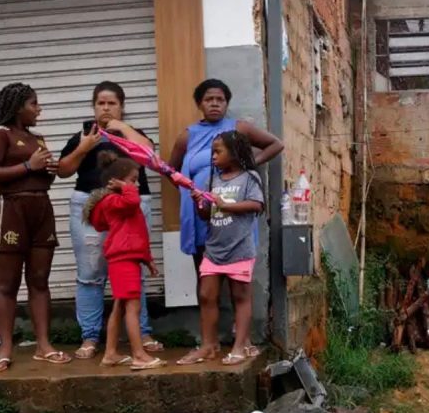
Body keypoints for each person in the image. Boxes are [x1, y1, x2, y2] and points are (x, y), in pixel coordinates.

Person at [57, 81, 164, 360]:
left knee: (133, 268)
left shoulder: (132, 134)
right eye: (100, 103)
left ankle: (142, 332)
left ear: (121, 107)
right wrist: (84, 146)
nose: (105, 108)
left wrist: (122, 128)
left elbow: (152, 157)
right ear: (93, 106)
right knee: (90, 274)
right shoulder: (83, 135)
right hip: (92, 207)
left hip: (132, 206)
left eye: (111, 103)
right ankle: (90, 337)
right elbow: (63, 171)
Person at [0, 83, 71, 372]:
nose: (39, 109)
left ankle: (44, 345)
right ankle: (5, 349)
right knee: (8, 284)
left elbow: (42, 180)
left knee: (40, 280)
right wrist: (29, 167)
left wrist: (48, 171)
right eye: (34, 104)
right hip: (11, 210)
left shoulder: (37, 138)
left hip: (41, 209)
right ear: (18, 107)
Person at [168, 79, 282, 273]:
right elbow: (171, 170)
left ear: (227, 103)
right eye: (208, 99)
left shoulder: (239, 129)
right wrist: (189, 192)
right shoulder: (188, 135)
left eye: (220, 99)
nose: (214, 103)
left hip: (231, 210)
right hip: (201, 211)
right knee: (204, 274)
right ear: (199, 104)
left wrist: (249, 165)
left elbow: (275, 145)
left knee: (236, 274)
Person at [177, 131, 265, 366]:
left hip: (239, 249)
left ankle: (239, 345)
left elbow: (256, 204)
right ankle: (208, 345)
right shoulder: (212, 180)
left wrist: (226, 205)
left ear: (235, 153)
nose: (213, 156)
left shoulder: (249, 177)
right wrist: (200, 202)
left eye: (218, 151)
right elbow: (206, 215)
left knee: (240, 296)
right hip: (214, 248)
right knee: (206, 295)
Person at [85, 152, 165, 370]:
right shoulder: (115, 201)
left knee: (121, 306)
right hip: (123, 259)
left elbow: (137, 232)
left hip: (127, 257)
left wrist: (147, 259)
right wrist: (125, 187)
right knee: (133, 307)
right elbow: (132, 200)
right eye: (132, 180)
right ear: (117, 180)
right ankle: (139, 354)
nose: (136, 184)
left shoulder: (119, 201)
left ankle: (110, 353)